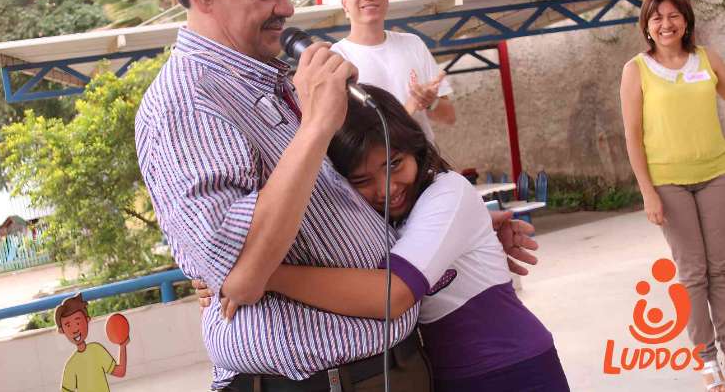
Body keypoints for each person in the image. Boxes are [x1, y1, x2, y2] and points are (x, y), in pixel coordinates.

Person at [137, 0, 537, 390]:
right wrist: (315, 127)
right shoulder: (186, 104)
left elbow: (330, 207)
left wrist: (443, 234)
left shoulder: (273, 76)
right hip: (318, 380)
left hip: (391, 365)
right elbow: (242, 273)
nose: (286, 7)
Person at [202, 84, 568, 392]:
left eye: (394, 164)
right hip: (444, 375)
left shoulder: (449, 191)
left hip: (512, 369)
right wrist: (217, 272)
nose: (387, 188)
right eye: (362, 181)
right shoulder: (375, 217)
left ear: (416, 149)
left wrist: (259, 275)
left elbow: (393, 294)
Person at [620, 0, 725, 392]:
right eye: (657, 17)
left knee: (722, 268)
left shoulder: (706, 59)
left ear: (686, 20)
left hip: (716, 173)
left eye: (673, 15)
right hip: (668, 183)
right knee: (694, 273)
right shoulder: (636, 70)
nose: (666, 24)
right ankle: (707, 359)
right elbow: (632, 135)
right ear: (647, 25)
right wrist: (647, 191)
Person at [331, 0, 455, 141]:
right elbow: (346, 136)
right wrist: (410, 106)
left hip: (426, 155)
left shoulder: (413, 43)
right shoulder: (336, 57)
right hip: (382, 160)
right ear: (345, 4)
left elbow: (449, 117)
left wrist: (431, 102)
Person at [56, 293, 128, 392]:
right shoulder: (70, 366)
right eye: (68, 325)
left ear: (87, 320)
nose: (74, 330)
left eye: (77, 322)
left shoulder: (97, 350)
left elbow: (120, 372)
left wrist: (122, 345)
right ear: (62, 330)